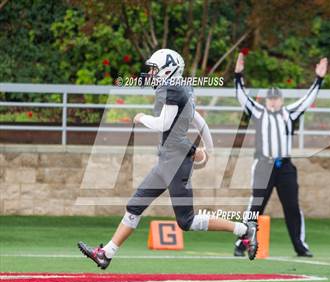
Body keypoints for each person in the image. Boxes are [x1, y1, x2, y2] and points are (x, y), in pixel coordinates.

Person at [78, 49, 258, 269]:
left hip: (177, 164)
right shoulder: (178, 88)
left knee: (187, 221)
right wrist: (208, 150)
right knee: (135, 206)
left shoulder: (173, 89)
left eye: (154, 69)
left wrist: (142, 117)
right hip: (166, 162)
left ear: (168, 70)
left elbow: (164, 124)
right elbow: (200, 121)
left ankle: (244, 229)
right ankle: (106, 253)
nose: (151, 73)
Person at [233, 52, 328, 257]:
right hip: (263, 165)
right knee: (256, 205)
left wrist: (319, 79)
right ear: (266, 101)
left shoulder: (289, 113)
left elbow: (306, 100)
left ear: (281, 100)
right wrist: (238, 75)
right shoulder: (258, 112)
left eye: (277, 99)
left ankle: (300, 246)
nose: (274, 102)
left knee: (292, 206)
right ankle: (241, 244)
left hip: (285, 166)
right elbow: (242, 98)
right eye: (271, 99)